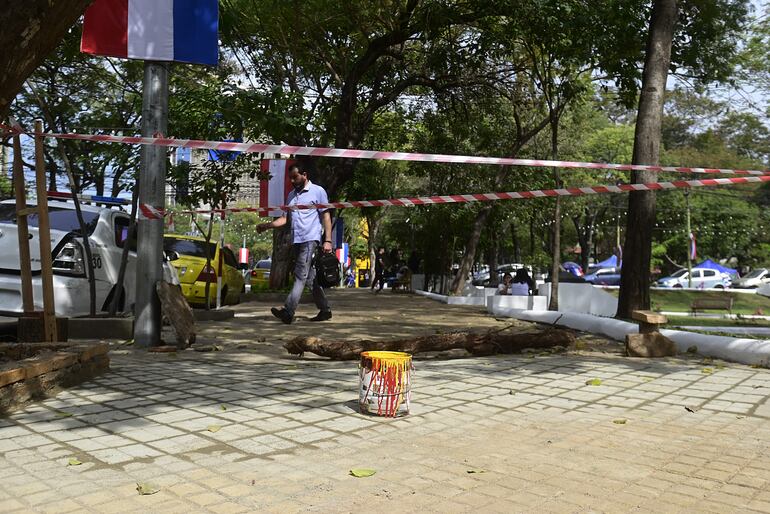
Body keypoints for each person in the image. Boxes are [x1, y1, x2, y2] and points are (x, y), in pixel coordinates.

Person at [256, 162, 333, 324]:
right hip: (296, 240)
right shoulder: (291, 195)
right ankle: (325, 310)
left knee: (300, 275)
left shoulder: (318, 191)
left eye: (295, 177)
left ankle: (288, 311)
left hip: (310, 239)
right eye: (290, 178)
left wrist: (328, 240)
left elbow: (326, 216)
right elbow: (284, 219)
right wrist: (267, 226)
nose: (292, 181)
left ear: (305, 175)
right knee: (310, 278)